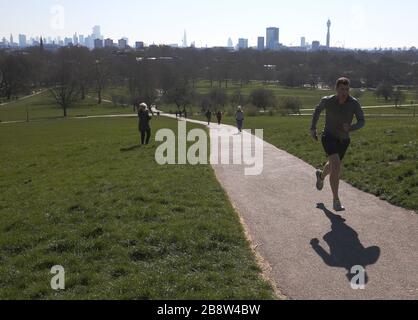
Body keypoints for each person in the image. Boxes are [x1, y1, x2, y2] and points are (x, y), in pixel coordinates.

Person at [310, 77, 365, 212]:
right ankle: (336, 200)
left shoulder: (354, 103)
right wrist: (313, 128)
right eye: (341, 89)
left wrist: (351, 127)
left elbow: (362, 121)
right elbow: (317, 110)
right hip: (328, 136)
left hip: (344, 139)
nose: (344, 92)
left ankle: (321, 176)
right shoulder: (327, 101)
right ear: (336, 89)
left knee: (332, 165)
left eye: (346, 89)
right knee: (336, 165)